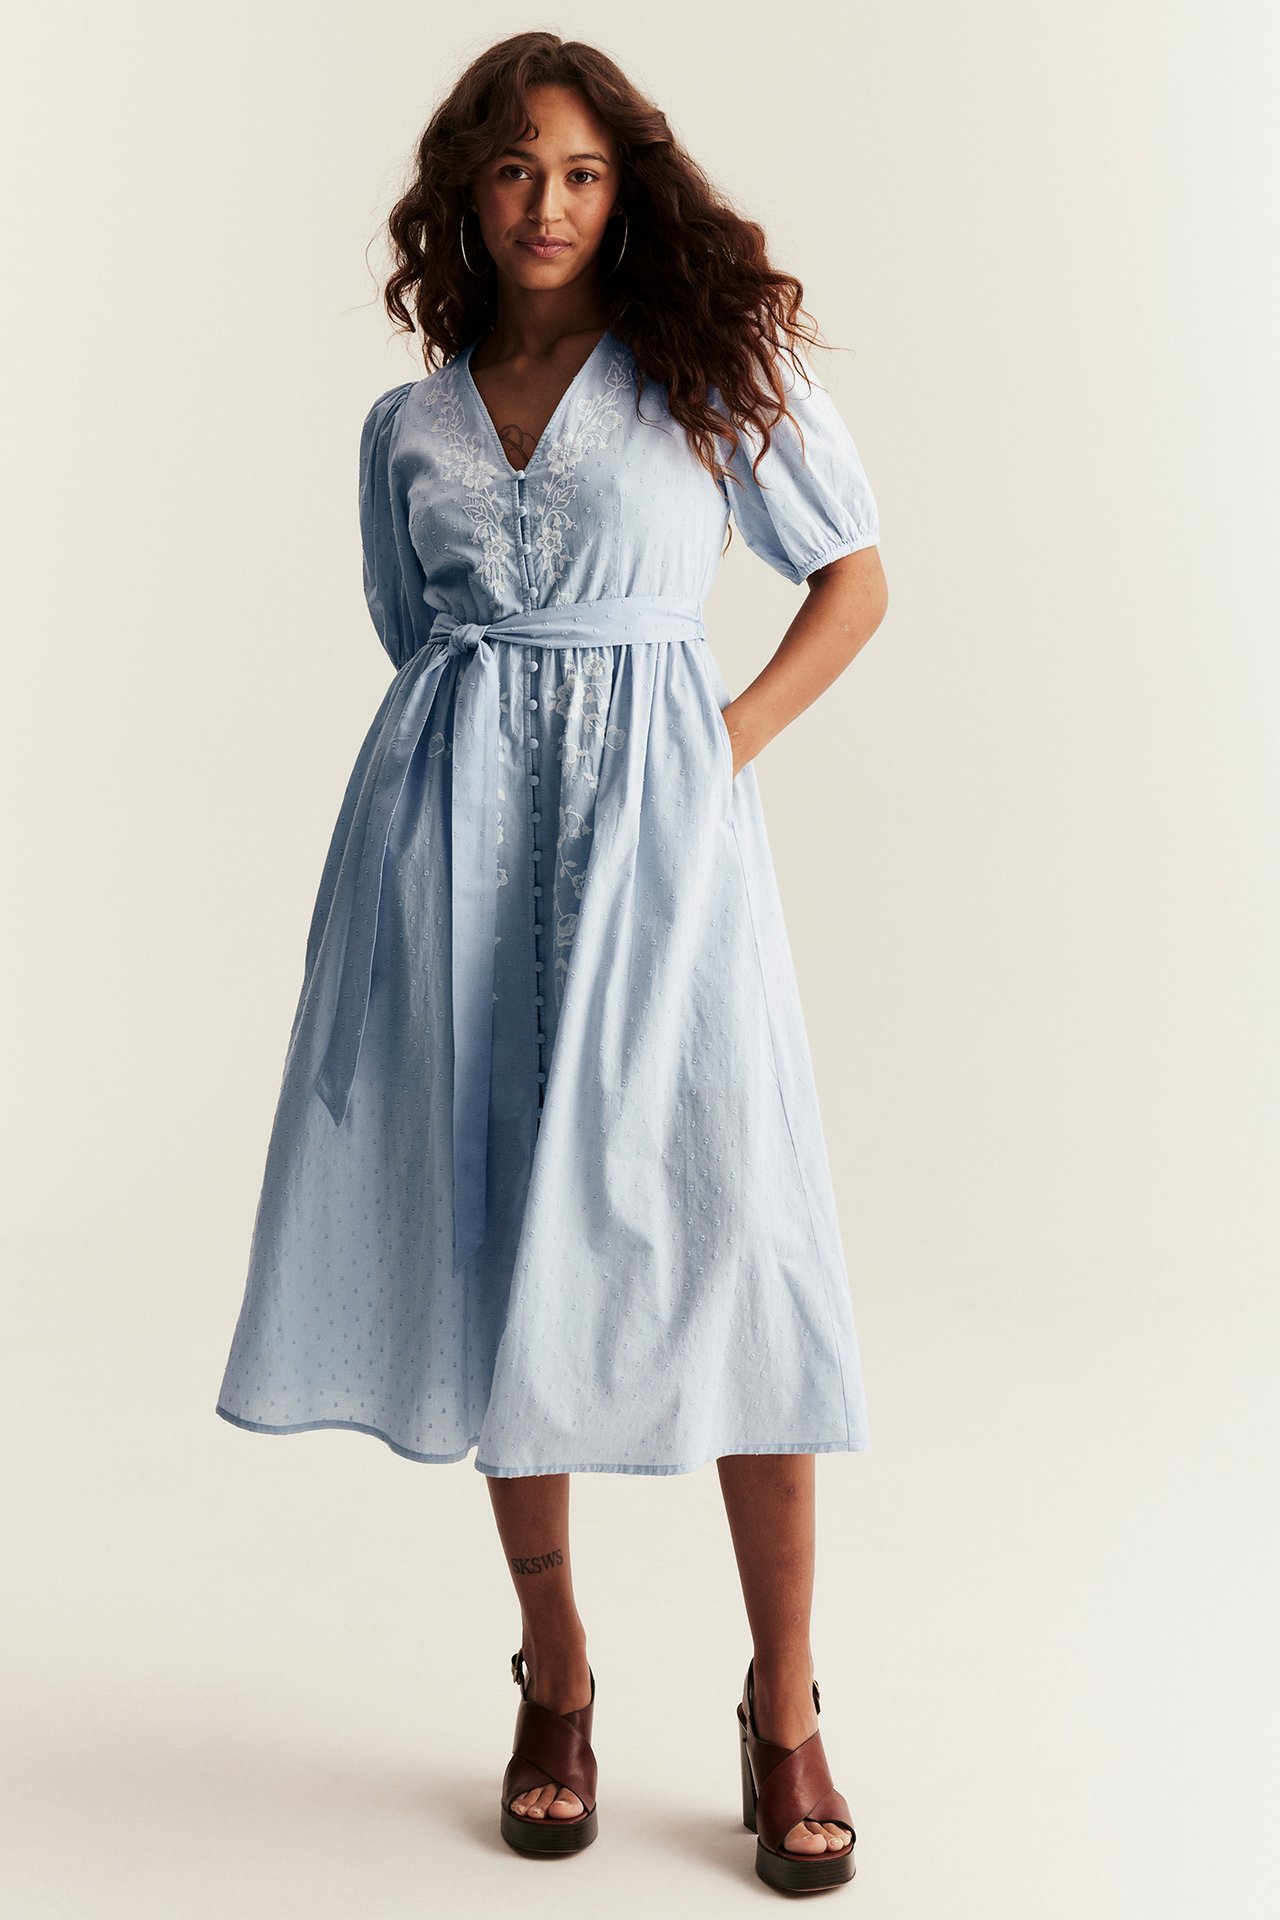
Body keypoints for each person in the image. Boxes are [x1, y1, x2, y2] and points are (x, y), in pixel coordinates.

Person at [215, 30, 889, 1896]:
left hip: (670, 870)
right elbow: (412, 636)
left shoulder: (704, 378)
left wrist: (720, 747)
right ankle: (561, 1670)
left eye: (581, 172)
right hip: (451, 870)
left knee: (735, 1242)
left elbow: (858, 578)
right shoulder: (413, 425)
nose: (547, 204)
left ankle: (781, 1705)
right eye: (514, 171)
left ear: (626, 189)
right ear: (466, 189)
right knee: (506, 1230)